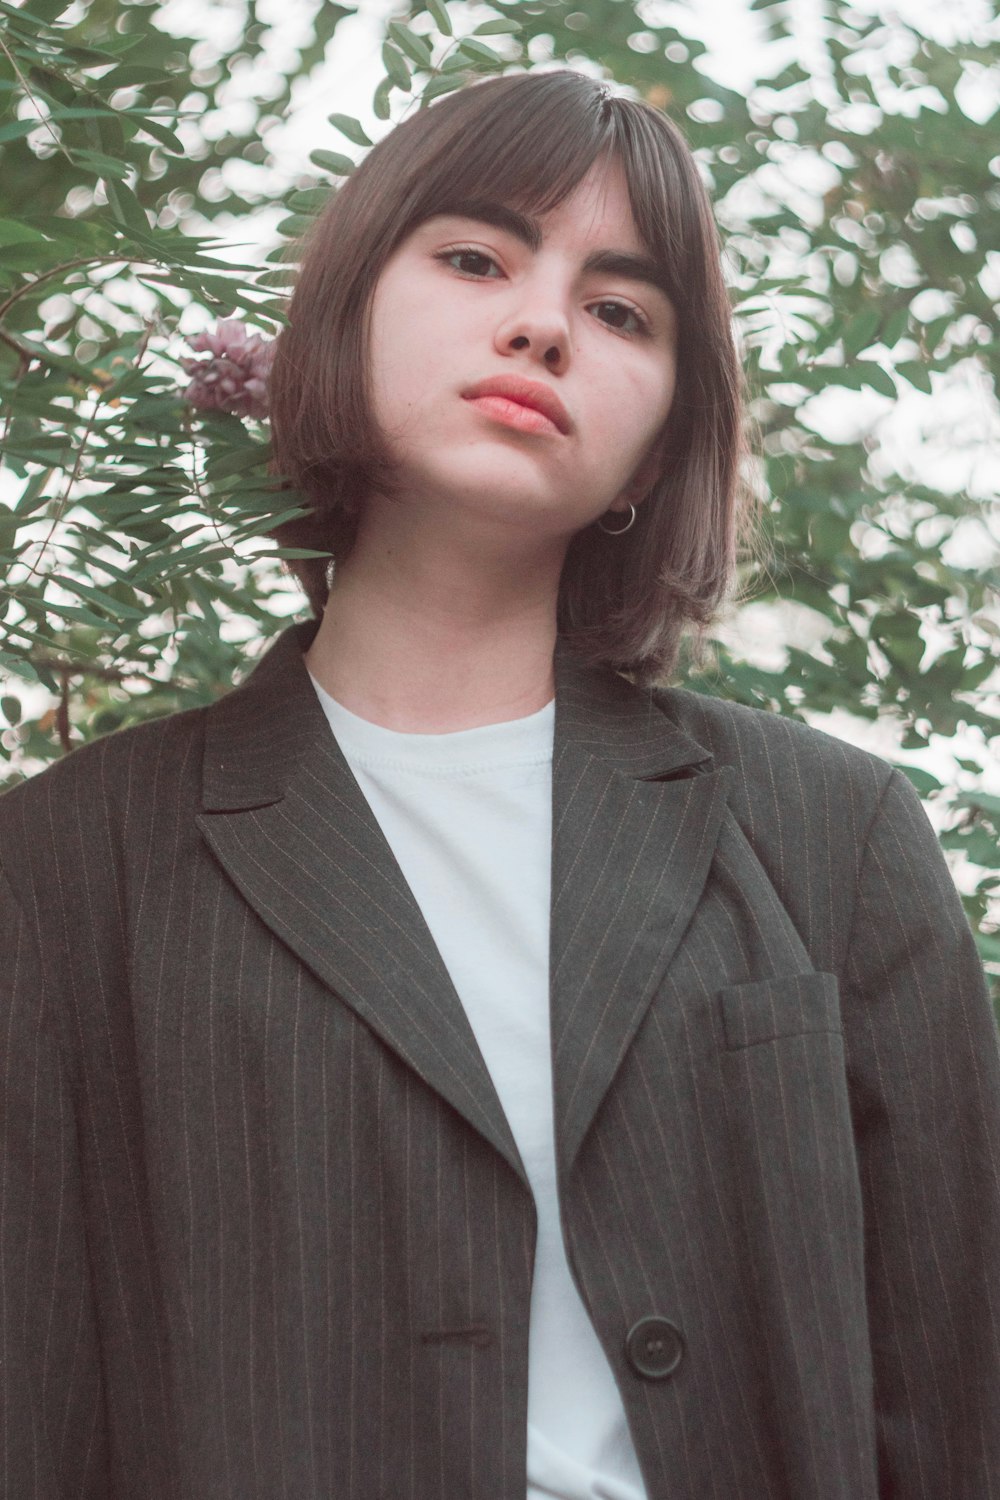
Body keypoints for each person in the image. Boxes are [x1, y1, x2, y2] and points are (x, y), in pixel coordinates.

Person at [1, 67, 998, 1500]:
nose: (542, 323)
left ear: (664, 432)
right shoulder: (66, 870)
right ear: (343, 310)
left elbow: (955, 1406)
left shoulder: (830, 835)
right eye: (474, 259)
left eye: (621, 311)